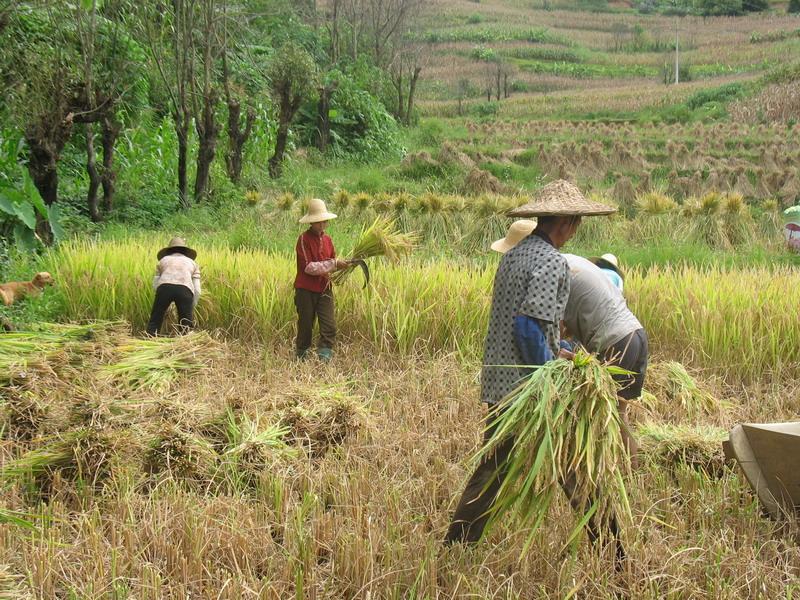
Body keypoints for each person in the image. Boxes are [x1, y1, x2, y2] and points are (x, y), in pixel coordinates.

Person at [445, 180, 620, 557]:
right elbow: (527, 327)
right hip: (529, 388)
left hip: (501, 380)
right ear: (569, 223)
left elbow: (525, 326)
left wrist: (559, 353)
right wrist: (549, 380)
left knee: (493, 467)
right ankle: (612, 549)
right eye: (576, 224)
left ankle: (457, 544)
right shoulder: (552, 261)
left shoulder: (513, 256)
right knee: (576, 463)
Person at [562, 253, 647, 467]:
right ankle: (632, 473)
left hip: (615, 342)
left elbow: (559, 328)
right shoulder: (578, 266)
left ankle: (595, 473)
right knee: (619, 412)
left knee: (592, 414)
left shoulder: (553, 271)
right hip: (635, 335)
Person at [294, 198, 351, 362]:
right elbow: (308, 267)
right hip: (305, 289)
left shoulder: (328, 240)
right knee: (305, 324)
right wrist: (334, 263)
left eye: (323, 221)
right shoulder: (303, 239)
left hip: (324, 288)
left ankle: (324, 357)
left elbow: (331, 263)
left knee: (329, 325)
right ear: (311, 222)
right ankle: (301, 356)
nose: (322, 224)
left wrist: (342, 265)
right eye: (318, 221)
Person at [146, 237, 201, 336]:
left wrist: (161, 299)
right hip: (185, 289)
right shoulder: (192, 263)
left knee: (155, 319)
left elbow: (155, 283)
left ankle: (149, 339)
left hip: (164, 288)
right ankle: (185, 345)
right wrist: (191, 305)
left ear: (169, 250)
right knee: (186, 323)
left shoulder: (163, 260)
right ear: (185, 251)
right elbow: (197, 289)